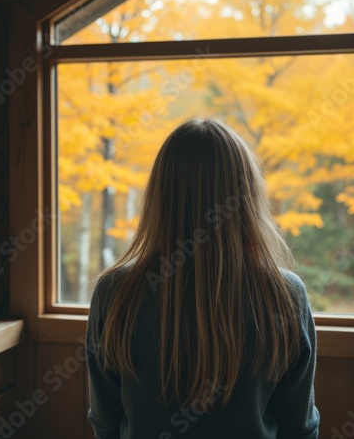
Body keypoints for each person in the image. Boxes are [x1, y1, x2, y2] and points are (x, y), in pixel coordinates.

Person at [85, 117, 320, 438]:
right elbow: (300, 429)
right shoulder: (285, 294)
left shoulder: (114, 293)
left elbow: (105, 424)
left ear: (158, 195)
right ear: (247, 196)